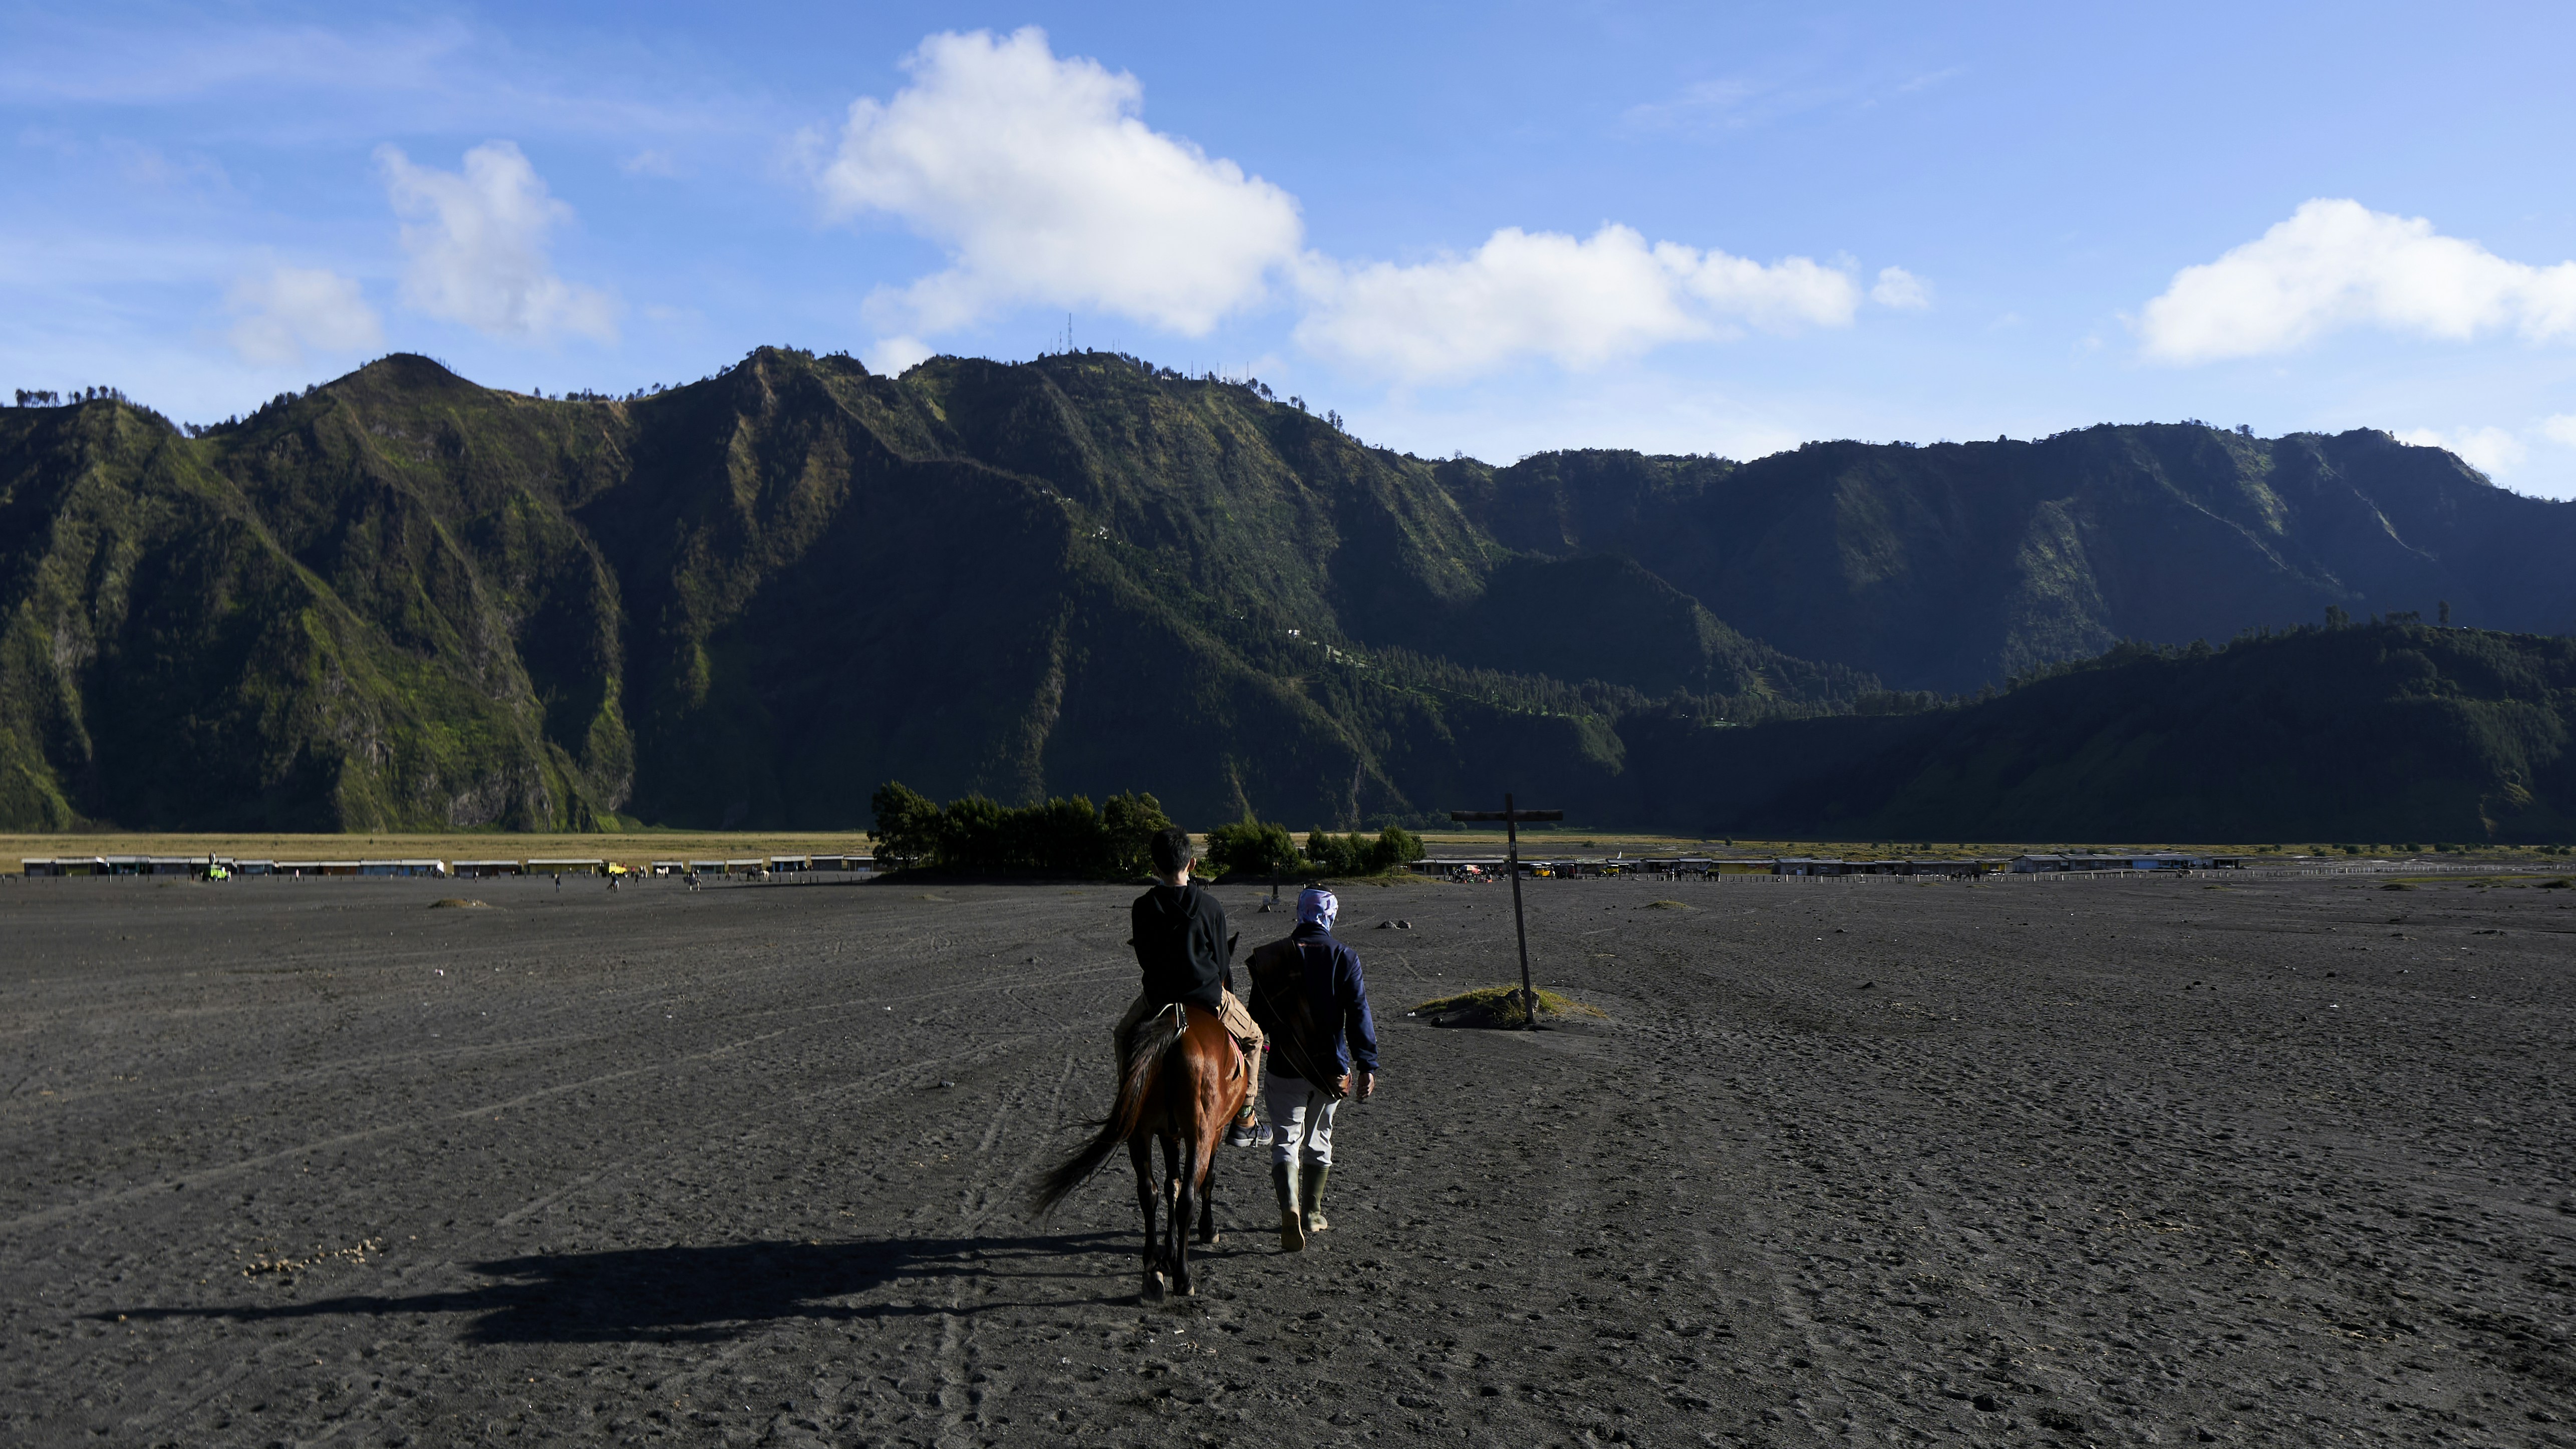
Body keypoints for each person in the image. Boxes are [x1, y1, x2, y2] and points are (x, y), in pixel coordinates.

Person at [1251, 887, 1379, 1252]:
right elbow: (1358, 1014)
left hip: (1284, 1064)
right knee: (1319, 1138)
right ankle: (1311, 1213)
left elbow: (1256, 1020)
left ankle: (1288, 1206)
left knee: (1285, 1140)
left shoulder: (1272, 956)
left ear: (1299, 913)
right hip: (1329, 1070)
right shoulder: (1344, 957)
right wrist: (1366, 1064)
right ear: (1330, 916)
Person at [1120, 826, 1265, 1147]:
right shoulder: (1211, 907)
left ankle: (1128, 1103)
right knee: (1254, 1037)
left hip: (1157, 999)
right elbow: (1223, 963)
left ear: (1154, 869)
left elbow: (1144, 958)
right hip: (1207, 998)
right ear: (1193, 864)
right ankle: (1245, 1115)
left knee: (1122, 1036)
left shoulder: (1142, 907)